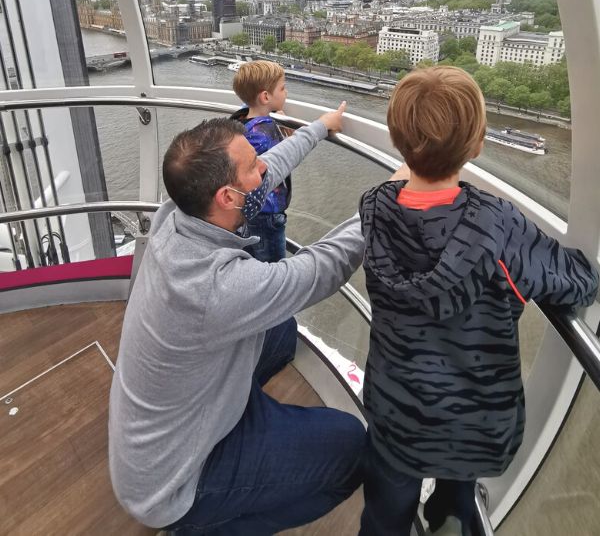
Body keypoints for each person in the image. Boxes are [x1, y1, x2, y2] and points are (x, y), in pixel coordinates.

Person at [358, 66, 598, 536]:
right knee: (457, 500)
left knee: (384, 514)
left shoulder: (374, 209)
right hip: (471, 419)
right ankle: (449, 518)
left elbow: (397, 198)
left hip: (396, 411)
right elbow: (575, 281)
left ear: (396, 140)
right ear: (478, 144)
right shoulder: (497, 225)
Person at [109, 102, 367, 535]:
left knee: (281, 332)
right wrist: (390, 202)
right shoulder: (217, 288)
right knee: (352, 451)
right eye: (252, 167)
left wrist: (320, 129)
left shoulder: (176, 213)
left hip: (164, 428)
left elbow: (266, 169)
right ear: (228, 198)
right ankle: (209, 526)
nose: (263, 170)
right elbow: (323, 268)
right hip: (173, 479)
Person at [231, 60, 290, 262]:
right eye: (282, 88)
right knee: (272, 266)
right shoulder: (264, 132)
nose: (286, 92)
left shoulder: (240, 119)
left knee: (250, 257)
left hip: (246, 212)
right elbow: (284, 158)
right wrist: (288, 134)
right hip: (267, 213)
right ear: (265, 96)